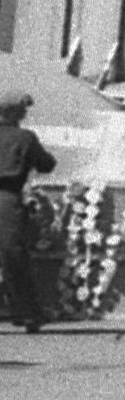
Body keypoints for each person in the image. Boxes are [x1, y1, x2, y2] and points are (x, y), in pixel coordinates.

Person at [0, 90, 56, 332]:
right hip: (7, 200)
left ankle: (19, 312)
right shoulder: (25, 138)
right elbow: (46, 165)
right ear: (16, 113)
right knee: (14, 258)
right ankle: (28, 313)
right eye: (23, 111)